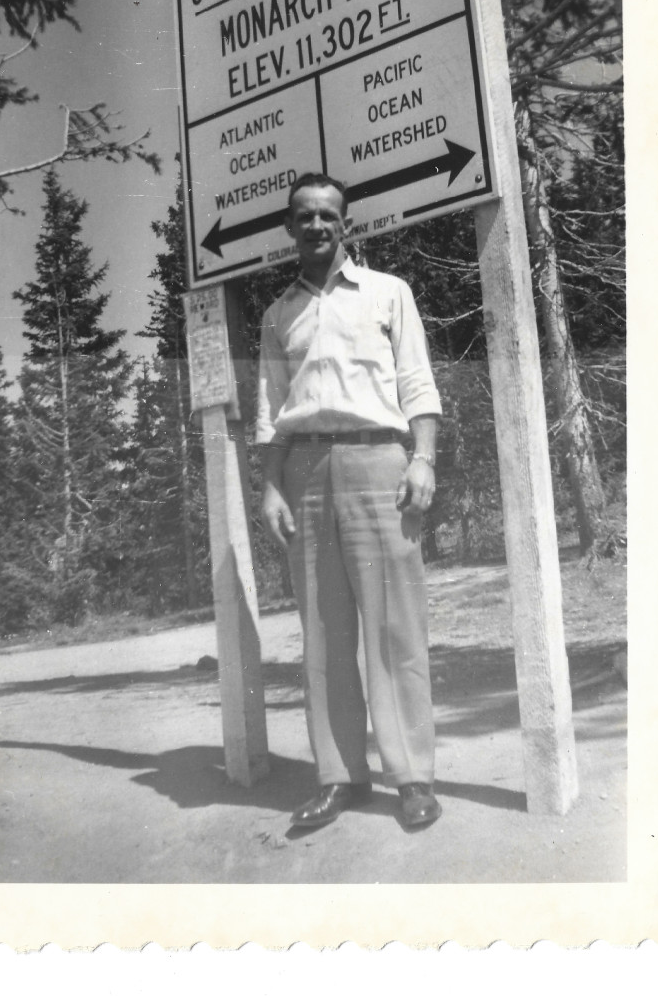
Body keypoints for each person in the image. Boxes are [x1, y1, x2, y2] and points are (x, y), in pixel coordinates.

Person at [256, 172, 442, 831]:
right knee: (324, 636)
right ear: (289, 227)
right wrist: (271, 486)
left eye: (328, 215)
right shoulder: (279, 314)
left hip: (378, 462)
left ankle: (412, 775)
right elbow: (273, 414)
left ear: (346, 225)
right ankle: (341, 777)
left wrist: (423, 458)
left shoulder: (389, 294)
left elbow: (418, 383)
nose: (315, 226)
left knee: (395, 628)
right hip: (307, 472)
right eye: (303, 216)